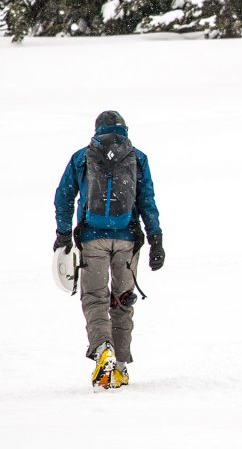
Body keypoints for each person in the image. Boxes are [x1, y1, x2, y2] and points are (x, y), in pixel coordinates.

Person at [53, 111, 164, 389]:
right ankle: (121, 366)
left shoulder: (82, 157)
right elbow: (146, 200)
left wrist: (63, 234)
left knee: (95, 298)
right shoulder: (137, 157)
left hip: (92, 239)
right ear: (124, 129)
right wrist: (156, 238)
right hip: (127, 240)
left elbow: (64, 196)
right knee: (122, 300)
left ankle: (104, 350)